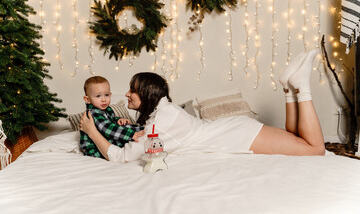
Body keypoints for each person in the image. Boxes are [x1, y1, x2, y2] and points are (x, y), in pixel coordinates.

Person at [79, 50, 325, 163]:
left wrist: (92, 132)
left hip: (238, 137)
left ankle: (301, 86)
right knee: (296, 138)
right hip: (234, 131)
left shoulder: (160, 121)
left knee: (315, 150)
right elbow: (140, 133)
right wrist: (130, 126)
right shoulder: (163, 111)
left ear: (146, 93)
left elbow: (121, 157)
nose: (127, 94)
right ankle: (288, 87)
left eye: (133, 90)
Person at [80, 76, 144, 159]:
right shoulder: (93, 113)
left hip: (106, 138)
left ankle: (141, 129)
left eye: (106, 95)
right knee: (123, 134)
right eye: (98, 96)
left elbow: (110, 120)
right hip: (94, 150)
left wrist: (118, 120)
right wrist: (131, 135)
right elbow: (107, 128)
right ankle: (138, 132)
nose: (104, 99)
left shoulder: (106, 109)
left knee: (124, 127)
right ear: (87, 99)